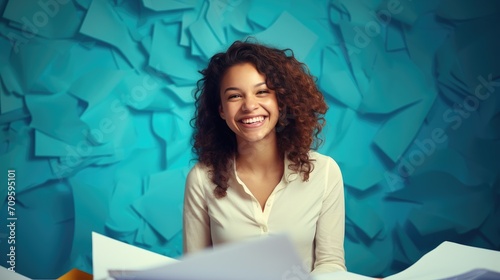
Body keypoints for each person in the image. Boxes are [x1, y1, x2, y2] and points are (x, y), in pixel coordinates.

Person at [183, 39, 346, 275]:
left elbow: (330, 264)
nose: (250, 106)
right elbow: (195, 272)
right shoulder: (201, 179)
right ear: (221, 110)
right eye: (234, 96)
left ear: (280, 100)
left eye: (262, 92)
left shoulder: (325, 172)